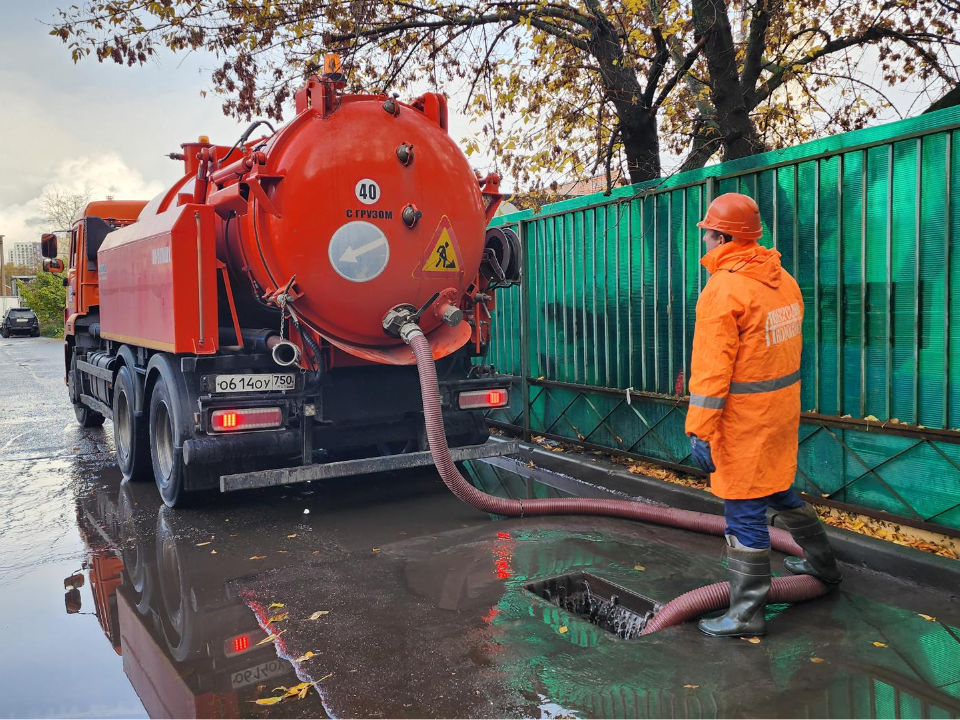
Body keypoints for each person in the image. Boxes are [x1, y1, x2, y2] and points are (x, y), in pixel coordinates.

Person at [686, 192, 842, 638]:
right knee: (777, 486)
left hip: (743, 422)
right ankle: (823, 566)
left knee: (743, 510)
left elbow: (712, 373)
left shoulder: (723, 291)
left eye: (708, 233)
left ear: (723, 236)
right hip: (779, 414)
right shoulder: (783, 280)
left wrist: (699, 430)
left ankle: (746, 612)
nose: (706, 241)